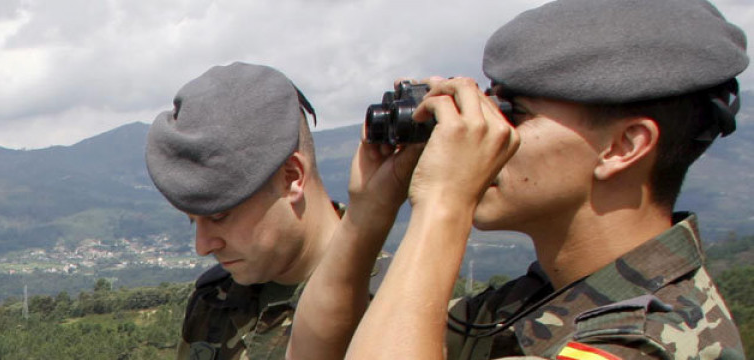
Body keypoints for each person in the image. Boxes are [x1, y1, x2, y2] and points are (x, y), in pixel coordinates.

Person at [288, 0, 748, 359]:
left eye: (514, 113)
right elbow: (319, 354)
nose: (485, 134)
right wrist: (370, 211)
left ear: (624, 146)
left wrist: (444, 202)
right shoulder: (529, 305)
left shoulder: (650, 337)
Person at [145, 62, 388, 359]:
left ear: (292, 178)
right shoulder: (215, 300)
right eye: (192, 220)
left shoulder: (396, 302)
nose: (203, 246)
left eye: (219, 215)